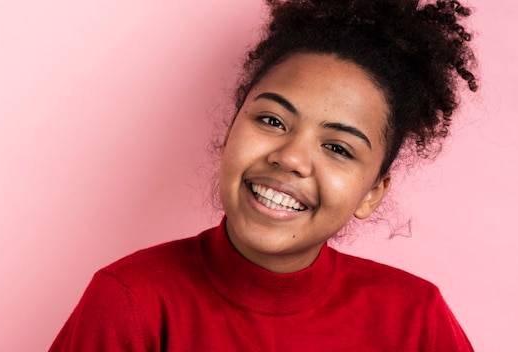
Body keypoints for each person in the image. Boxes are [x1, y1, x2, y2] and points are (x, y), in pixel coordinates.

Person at [49, 0, 477, 350]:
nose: (290, 158)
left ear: (372, 193)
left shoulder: (416, 318)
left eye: (337, 148)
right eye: (272, 121)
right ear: (231, 130)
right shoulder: (129, 301)